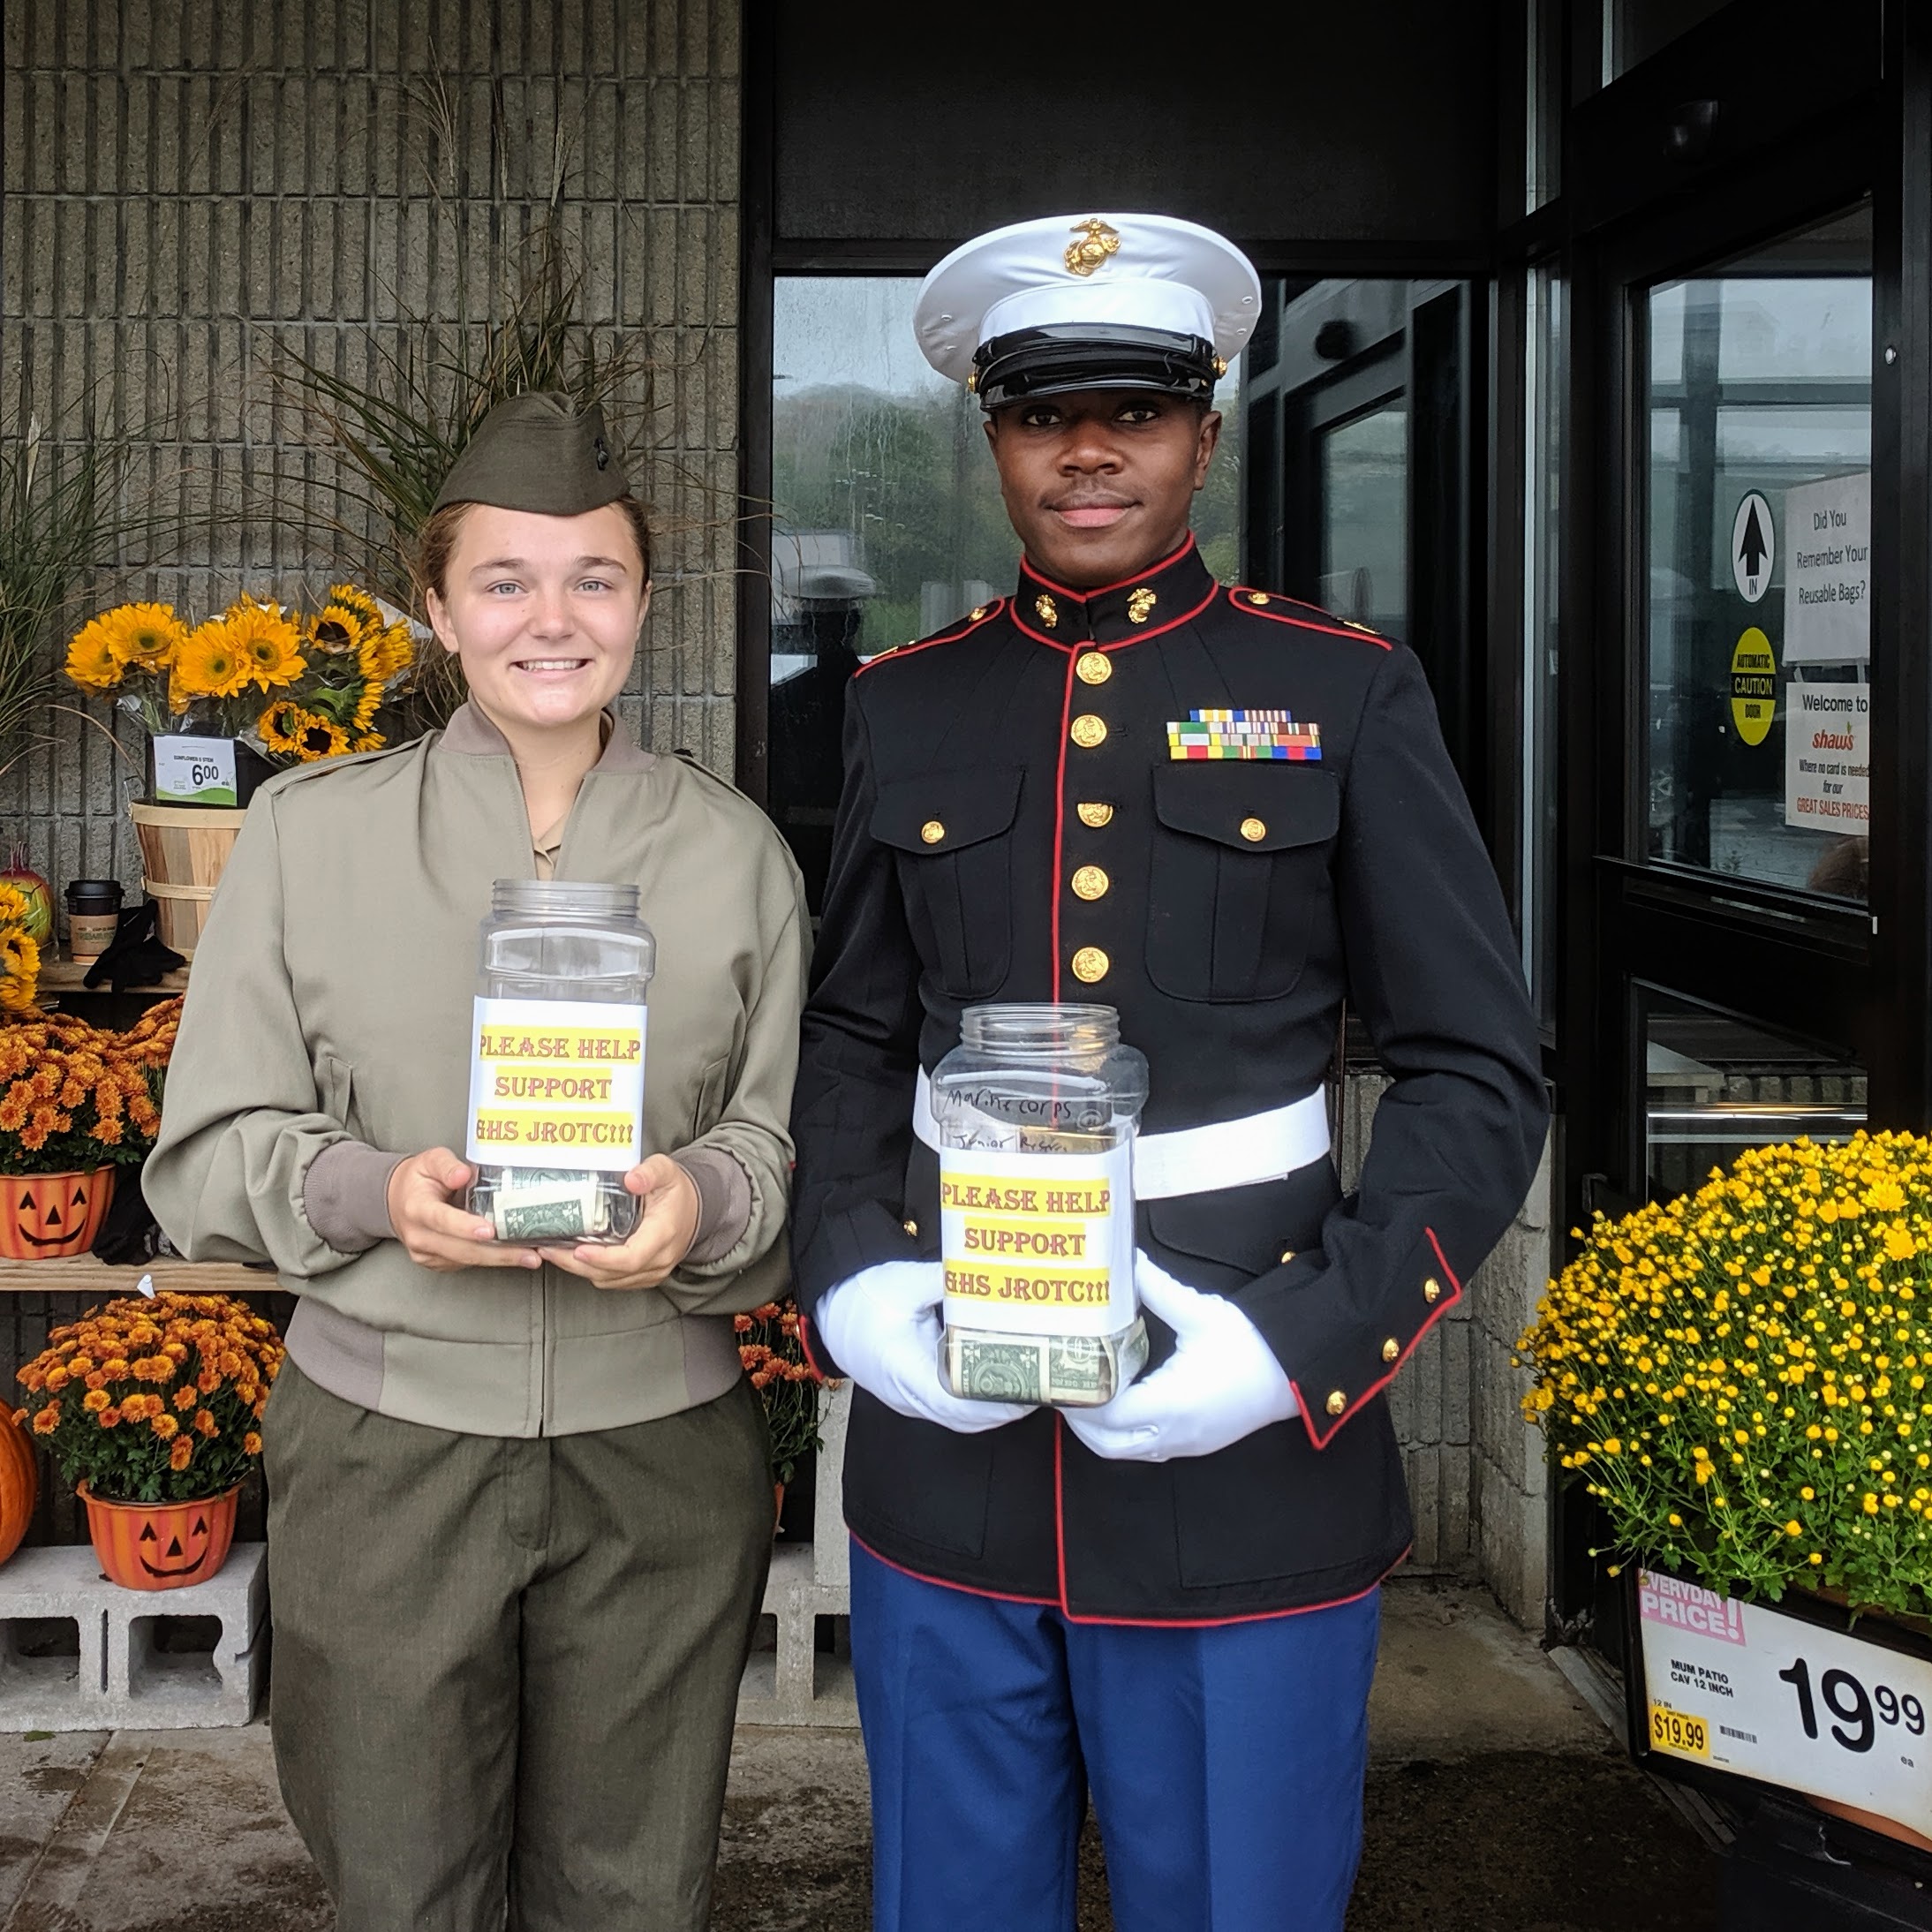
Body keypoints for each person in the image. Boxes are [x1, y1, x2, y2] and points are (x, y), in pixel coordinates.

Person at [789, 215, 1549, 1931]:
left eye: (1132, 410)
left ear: (1205, 435)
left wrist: (1295, 1349)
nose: (1087, 450)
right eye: (1041, 414)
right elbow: (851, 1033)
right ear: (991, 440)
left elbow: (1473, 1068)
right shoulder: (909, 701)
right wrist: (848, 1281)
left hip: (1241, 1450)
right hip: (953, 1445)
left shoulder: (1335, 690)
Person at [145, 392, 809, 1932]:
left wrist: (704, 1201)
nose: (551, 620)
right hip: (385, 1452)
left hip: (662, 1458)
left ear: (642, 603)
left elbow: (774, 1141)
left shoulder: (737, 856)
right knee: (400, 1888)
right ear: (439, 612)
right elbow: (207, 1151)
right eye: (504, 581)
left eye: (594, 579)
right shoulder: (307, 837)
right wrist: (372, 1193)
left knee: (632, 1893)